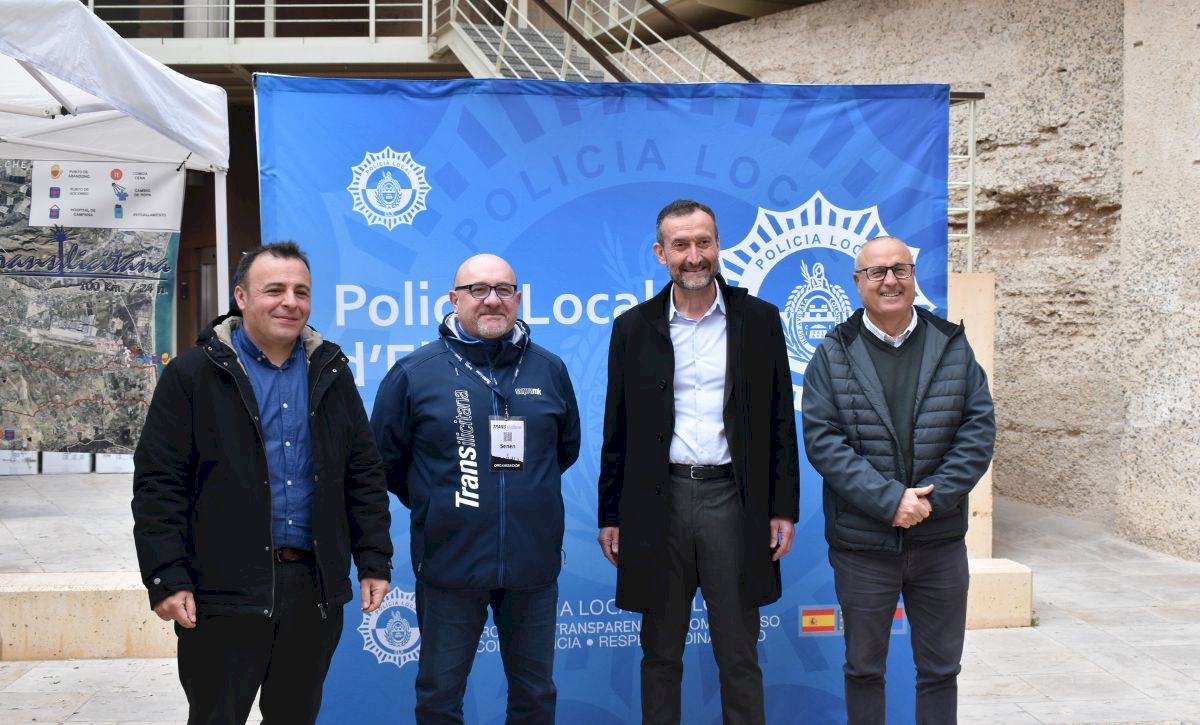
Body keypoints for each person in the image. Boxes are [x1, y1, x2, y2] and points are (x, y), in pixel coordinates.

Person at [132, 241, 393, 725]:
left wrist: (374, 559)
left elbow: (363, 474)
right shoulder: (193, 375)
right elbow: (158, 485)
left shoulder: (331, 373)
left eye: (301, 291)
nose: (290, 302)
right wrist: (166, 576)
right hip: (221, 592)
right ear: (241, 298)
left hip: (311, 591)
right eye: (274, 290)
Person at [597, 199, 800, 725]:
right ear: (660, 252)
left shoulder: (759, 320)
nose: (694, 256)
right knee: (660, 654)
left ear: (718, 245)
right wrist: (610, 515)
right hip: (657, 505)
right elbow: (617, 429)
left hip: (734, 501)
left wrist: (783, 508)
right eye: (681, 245)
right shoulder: (633, 328)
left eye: (703, 242)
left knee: (739, 653)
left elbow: (781, 420)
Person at [371, 253, 580, 725]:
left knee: (535, 696)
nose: (492, 300)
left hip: (531, 567)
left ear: (518, 299)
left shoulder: (549, 370)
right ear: (454, 299)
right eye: (478, 289)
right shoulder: (415, 373)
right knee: (439, 698)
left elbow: (564, 451)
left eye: (503, 290)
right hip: (449, 564)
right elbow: (387, 463)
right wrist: (440, 504)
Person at [801, 236, 996, 724]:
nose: (890, 280)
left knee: (940, 671)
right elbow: (824, 441)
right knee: (864, 670)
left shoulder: (951, 343)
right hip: (863, 546)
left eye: (900, 269)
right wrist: (890, 501)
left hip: (939, 542)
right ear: (858, 283)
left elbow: (978, 430)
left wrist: (933, 498)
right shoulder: (833, 351)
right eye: (877, 272)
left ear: (913, 276)